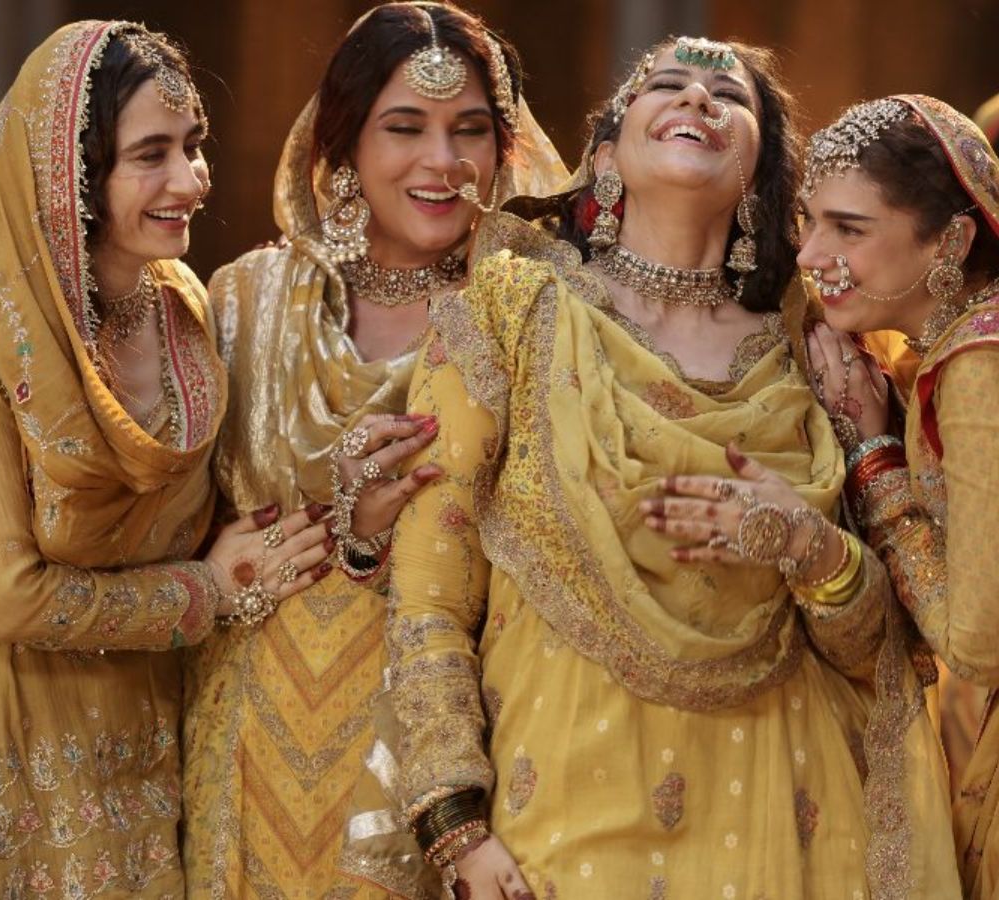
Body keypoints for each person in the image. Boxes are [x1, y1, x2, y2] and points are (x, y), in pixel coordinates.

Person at [381, 38, 956, 898]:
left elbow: (881, 650)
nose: (698, 99)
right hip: (561, 809)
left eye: (730, 95)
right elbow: (430, 590)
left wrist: (807, 547)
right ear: (606, 156)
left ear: (764, 176)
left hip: (787, 815)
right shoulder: (507, 307)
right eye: (667, 85)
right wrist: (455, 824)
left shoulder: (819, 349)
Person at [0, 21, 330, 898]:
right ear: (73, 180)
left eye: (193, 147)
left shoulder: (184, 309)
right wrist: (210, 591)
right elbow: (6, 596)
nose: (190, 181)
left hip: (129, 751)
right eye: (149, 155)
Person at [180, 4, 565, 897]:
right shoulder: (246, 303)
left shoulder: (530, 316)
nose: (444, 162)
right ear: (343, 145)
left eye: (470, 130)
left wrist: (380, 536)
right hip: (251, 729)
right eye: (406, 129)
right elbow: (152, 500)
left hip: (447, 751)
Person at [797, 94, 999, 899]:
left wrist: (876, 464)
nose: (812, 253)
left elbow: (979, 641)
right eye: (809, 221)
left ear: (949, 239)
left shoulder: (978, 367)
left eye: (849, 228)